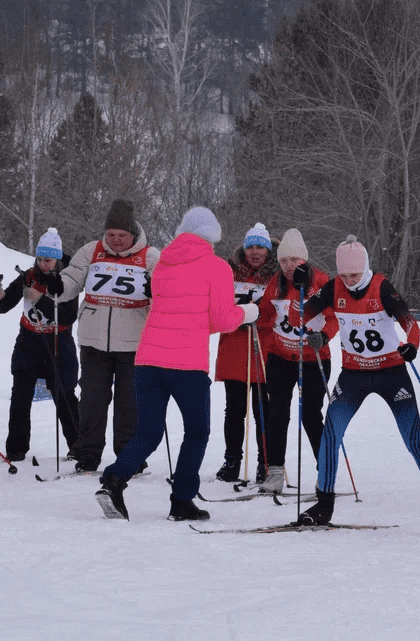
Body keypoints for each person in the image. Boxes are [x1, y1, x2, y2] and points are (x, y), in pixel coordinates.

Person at [296, 236, 420, 532]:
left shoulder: (381, 287)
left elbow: (410, 324)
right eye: (345, 275)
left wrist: (411, 347)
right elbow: (299, 316)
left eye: (355, 274)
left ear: (364, 267)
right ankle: (324, 504)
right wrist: (301, 292)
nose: (350, 281)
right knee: (330, 433)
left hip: (392, 373)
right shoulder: (333, 288)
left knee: (414, 440)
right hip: (353, 375)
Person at [95, 207, 258, 521]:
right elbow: (223, 321)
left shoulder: (162, 265)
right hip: (187, 366)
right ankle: (182, 502)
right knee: (196, 432)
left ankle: (114, 481)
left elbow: (188, 316)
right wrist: (249, 312)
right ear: (211, 236)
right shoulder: (217, 267)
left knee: (148, 433)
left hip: (148, 361)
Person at [63, 198, 160, 473]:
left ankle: (130, 457)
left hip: (134, 344)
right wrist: (58, 284)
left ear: (133, 233)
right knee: (92, 400)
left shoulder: (151, 257)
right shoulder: (91, 251)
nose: (116, 241)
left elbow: (165, 295)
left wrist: (156, 291)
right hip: (94, 341)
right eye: (111, 235)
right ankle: (87, 454)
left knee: (129, 404)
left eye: (122, 235)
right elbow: (71, 281)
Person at [254, 228, 337, 494]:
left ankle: (324, 472)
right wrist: (250, 313)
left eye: (294, 260)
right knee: (277, 414)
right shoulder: (276, 283)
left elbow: (334, 318)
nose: (288, 266)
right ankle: (275, 472)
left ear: (304, 259)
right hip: (280, 357)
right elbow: (266, 314)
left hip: (314, 358)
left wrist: (324, 337)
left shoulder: (321, 282)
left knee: (312, 416)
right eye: (283, 261)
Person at [0, 228, 80, 461]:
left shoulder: (67, 280)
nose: (43, 264)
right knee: (20, 397)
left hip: (58, 343)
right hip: (28, 341)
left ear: (57, 259)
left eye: (48, 260)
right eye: (40, 259)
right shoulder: (28, 276)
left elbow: (68, 315)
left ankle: (78, 447)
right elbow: (5, 305)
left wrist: (41, 300)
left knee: (65, 397)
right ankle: (16, 449)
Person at [212, 223, 277, 483]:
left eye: (260, 247)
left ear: (268, 249)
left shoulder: (276, 274)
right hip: (234, 348)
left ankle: (266, 462)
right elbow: (218, 303)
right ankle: (232, 461)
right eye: (251, 246)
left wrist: (257, 315)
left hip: (264, 348)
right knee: (234, 410)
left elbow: (278, 309)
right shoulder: (228, 270)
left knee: (263, 411)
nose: (255, 252)